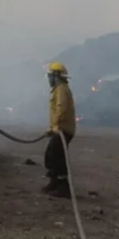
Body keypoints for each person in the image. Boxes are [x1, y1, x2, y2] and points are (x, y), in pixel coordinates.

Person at [43, 62, 77, 198]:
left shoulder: (62, 89)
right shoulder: (59, 89)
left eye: (51, 75)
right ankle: (54, 182)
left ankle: (63, 187)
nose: (49, 78)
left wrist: (55, 127)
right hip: (60, 129)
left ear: (56, 76)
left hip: (63, 129)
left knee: (56, 156)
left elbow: (61, 109)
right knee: (50, 155)